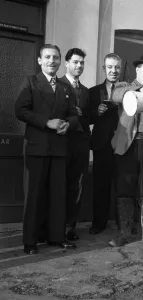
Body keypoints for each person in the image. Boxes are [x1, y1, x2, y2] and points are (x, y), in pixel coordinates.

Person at [15, 44, 78, 255]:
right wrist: (46, 122)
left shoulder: (65, 87)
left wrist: (68, 124)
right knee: (34, 196)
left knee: (57, 195)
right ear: (40, 61)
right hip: (37, 147)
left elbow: (74, 114)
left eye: (56, 57)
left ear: (60, 61)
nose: (52, 61)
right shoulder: (31, 82)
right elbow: (20, 110)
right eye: (48, 57)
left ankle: (56, 237)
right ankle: (30, 241)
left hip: (59, 148)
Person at [109, 54, 143, 248]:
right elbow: (116, 97)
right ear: (138, 71)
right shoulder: (123, 86)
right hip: (128, 146)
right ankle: (124, 234)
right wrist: (140, 89)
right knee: (125, 188)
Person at [60, 48, 91, 241]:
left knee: (76, 186)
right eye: (75, 62)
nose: (79, 66)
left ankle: (69, 227)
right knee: (58, 184)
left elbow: (87, 118)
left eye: (81, 63)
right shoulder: (58, 85)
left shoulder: (86, 91)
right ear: (67, 63)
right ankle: (54, 226)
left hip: (81, 145)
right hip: (61, 143)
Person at [89, 53, 121, 234]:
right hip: (102, 144)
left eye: (116, 67)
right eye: (110, 67)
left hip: (123, 143)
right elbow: (86, 117)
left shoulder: (127, 90)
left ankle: (122, 223)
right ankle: (98, 223)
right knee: (100, 185)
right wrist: (96, 113)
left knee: (122, 184)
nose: (113, 71)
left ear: (121, 69)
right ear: (104, 69)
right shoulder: (94, 91)